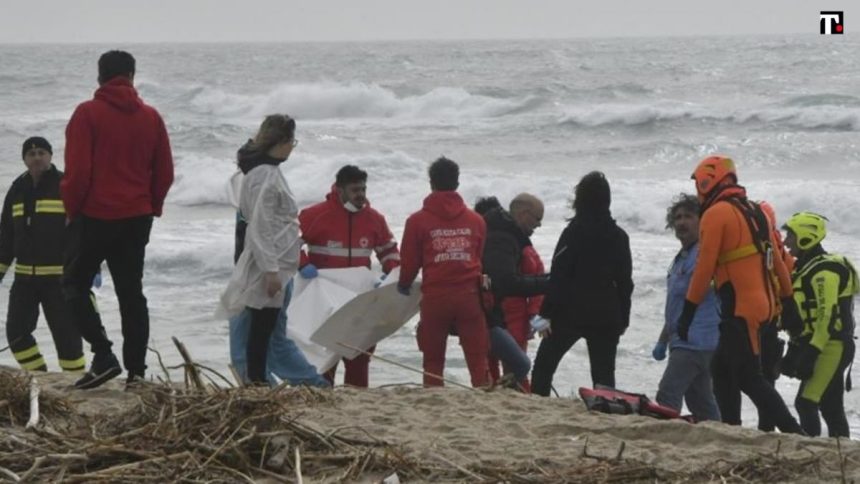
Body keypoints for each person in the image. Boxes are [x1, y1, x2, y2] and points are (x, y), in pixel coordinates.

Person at [62, 50, 174, 389]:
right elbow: (165, 172)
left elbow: (78, 172)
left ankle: (103, 355)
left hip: (96, 215)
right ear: (132, 75)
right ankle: (137, 373)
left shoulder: (87, 113)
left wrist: (72, 210)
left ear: (100, 76)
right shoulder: (151, 117)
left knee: (73, 285)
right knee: (131, 293)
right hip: (136, 217)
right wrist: (151, 206)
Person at [679, 155, 802, 434]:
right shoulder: (755, 210)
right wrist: (788, 301)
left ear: (707, 181)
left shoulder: (715, 214)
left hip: (741, 307)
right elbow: (778, 261)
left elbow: (704, 269)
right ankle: (731, 429)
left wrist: (688, 312)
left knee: (748, 378)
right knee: (721, 370)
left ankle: (795, 432)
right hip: (765, 305)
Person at [297, 165, 401, 387]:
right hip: (325, 301)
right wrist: (302, 263)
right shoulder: (315, 215)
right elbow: (288, 243)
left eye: (363, 189)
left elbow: (388, 250)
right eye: (355, 190)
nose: (361, 195)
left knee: (359, 354)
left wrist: (391, 272)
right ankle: (324, 394)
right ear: (340, 189)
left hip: (359, 300)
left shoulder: (374, 219)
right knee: (325, 353)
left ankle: (357, 396)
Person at [531, 171, 634, 396]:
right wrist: (623, 317)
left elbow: (559, 275)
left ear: (580, 200)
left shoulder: (573, 233)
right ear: (607, 200)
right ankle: (604, 414)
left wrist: (545, 314)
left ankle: (538, 405)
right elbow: (625, 282)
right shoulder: (619, 236)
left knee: (544, 368)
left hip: (570, 311)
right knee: (604, 378)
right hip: (606, 313)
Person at [218, 114, 302, 384]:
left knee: (263, 328)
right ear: (282, 141)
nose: (292, 147)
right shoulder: (264, 175)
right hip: (267, 261)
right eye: (292, 141)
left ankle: (257, 381)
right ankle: (257, 382)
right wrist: (271, 271)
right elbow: (261, 226)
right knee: (262, 330)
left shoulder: (264, 171)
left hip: (272, 259)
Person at [225, 171, 328, 388]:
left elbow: (271, 239)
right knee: (257, 343)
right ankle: (268, 387)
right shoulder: (252, 203)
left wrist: (272, 272)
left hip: (267, 276)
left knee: (268, 343)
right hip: (259, 275)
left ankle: (313, 385)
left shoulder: (261, 202)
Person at [398, 157, 489, 387]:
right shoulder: (476, 220)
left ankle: (433, 398)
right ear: (457, 183)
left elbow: (409, 262)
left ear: (431, 183)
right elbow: (478, 257)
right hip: (469, 296)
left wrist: (403, 284)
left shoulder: (417, 221)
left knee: (433, 360)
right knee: (478, 359)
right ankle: (482, 394)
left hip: (435, 297)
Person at [0, 137, 86, 373]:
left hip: (60, 279)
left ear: (50, 155)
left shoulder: (65, 185)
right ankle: (40, 377)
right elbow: (6, 237)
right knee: (16, 335)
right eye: (31, 153)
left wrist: (88, 266)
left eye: (41, 152)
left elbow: (83, 231)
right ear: (25, 159)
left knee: (67, 337)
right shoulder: (17, 189)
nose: (36, 157)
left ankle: (75, 382)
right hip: (24, 280)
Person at [780, 212, 857, 437]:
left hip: (831, 347)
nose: (786, 242)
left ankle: (811, 446)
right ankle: (839, 450)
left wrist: (811, 353)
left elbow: (826, 317)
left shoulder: (825, 272)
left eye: (790, 236)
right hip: (821, 344)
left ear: (806, 237)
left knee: (806, 402)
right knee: (830, 406)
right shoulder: (805, 267)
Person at [651, 194, 721, 421]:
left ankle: (665, 438)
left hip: (697, 340)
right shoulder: (682, 257)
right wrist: (663, 340)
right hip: (683, 340)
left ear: (702, 221)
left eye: (689, 216)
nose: (682, 222)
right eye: (678, 217)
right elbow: (678, 304)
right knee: (700, 401)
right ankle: (719, 436)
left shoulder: (704, 254)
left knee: (668, 393)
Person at [479, 194, 549, 390]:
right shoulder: (516, 244)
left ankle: (504, 393)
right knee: (501, 364)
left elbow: (536, 285)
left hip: (506, 313)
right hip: (503, 313)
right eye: (537, 219)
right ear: (524, 214)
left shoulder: (517, 244)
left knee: (504, 365)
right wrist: (536, 319)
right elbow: (538, 284)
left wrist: (537, 320)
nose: (539, 225)